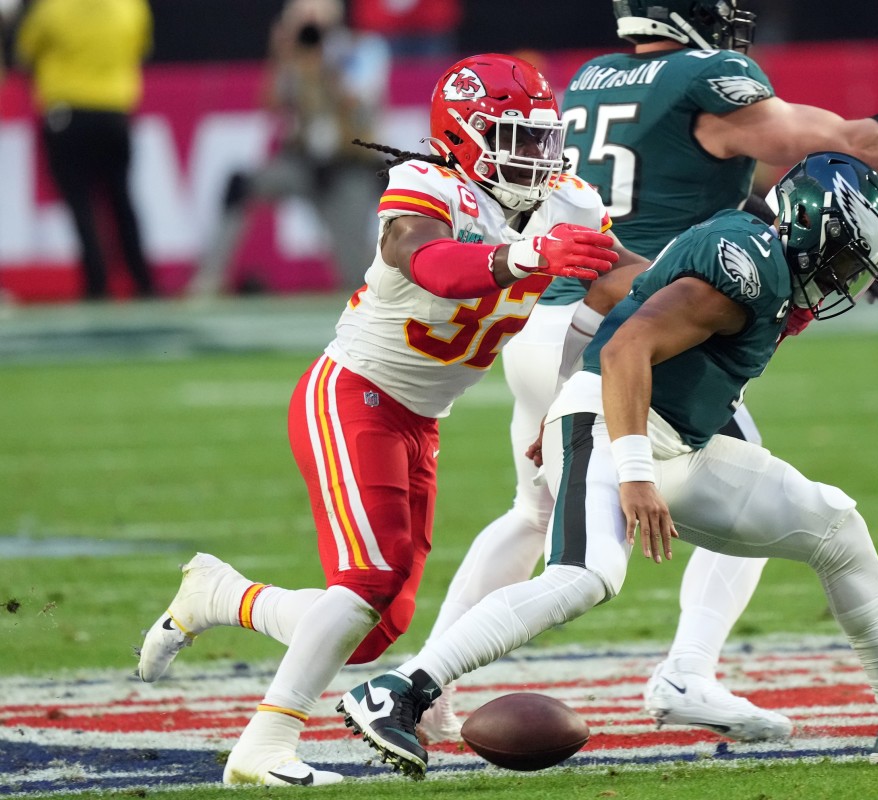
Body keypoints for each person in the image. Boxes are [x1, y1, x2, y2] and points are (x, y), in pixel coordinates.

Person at [414, 0, 878, 746]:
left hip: (552, 314)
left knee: (535, 512)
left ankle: (428, 685)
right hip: (644, 316)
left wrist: (828, 243)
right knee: (732, 483)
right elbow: (847, 144)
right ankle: (686, 671)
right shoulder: (707, 75)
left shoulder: (591, 79)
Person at [340, 153, 878, 778]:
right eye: (840, 261)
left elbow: (612, 292)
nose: (842, 280)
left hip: (671, 441)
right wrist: (623, 465)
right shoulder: (746, 272)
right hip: (617, 427)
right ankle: (399, 690)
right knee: (585, 575)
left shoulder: (758, 261)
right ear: (809, 234)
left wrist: (565, 406)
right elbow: (628, 348)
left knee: (835, 524)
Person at [134, 52, 638, 786]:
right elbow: (425, 260)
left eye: (542, 138)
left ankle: (222, 596)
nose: (537, 156)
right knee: (366, 582)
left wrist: (720, 282)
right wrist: (527, 254)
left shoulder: (569, 203)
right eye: (516, 138)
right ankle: (264, 745)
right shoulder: (425, 183)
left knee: (375, 631)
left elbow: (631, 275)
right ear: (463, 135)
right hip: (353, 393)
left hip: (420, 420)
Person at [187, 0, 391, 297]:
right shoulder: (296, 55)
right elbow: (270, 103)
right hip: (303, 162)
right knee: (240, 186)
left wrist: (325, 62)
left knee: (355, 275)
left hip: (349, 165)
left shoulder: (362, 49)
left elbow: (356, 104)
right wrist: (281, 56)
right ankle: (207, 280)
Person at [15, 0, 156, 301]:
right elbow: (140, 48)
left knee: (81, 204)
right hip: (114, 113)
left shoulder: (52, 8)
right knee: (122, 200)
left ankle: (97, 285)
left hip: (67, 115)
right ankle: (144, 282)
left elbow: (25, 53)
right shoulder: (130, 6)